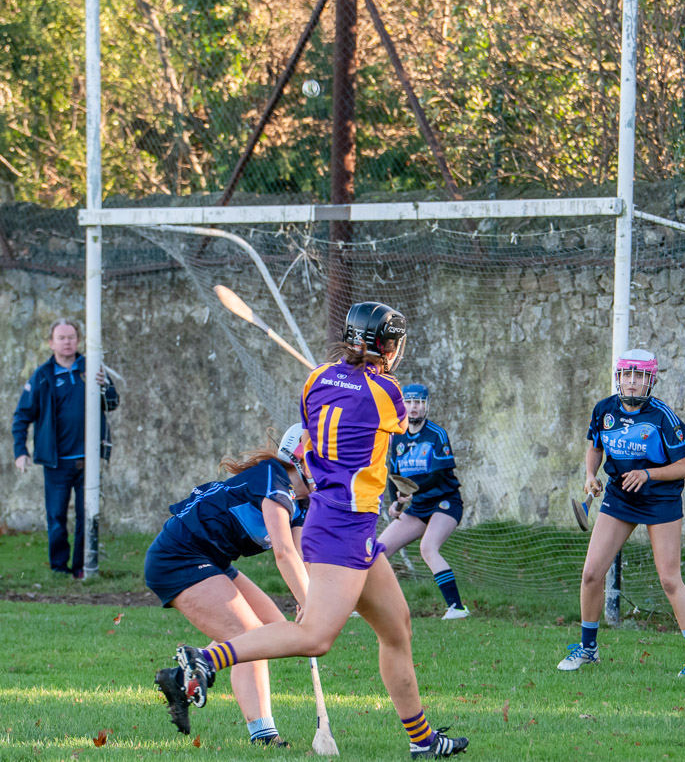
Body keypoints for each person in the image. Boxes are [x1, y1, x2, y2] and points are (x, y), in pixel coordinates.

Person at [158, 302, 469, 758]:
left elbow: (317, 421)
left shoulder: (314, 380)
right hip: (344, 523)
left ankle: (424, 742)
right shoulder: (388, 391)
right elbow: (397, 423)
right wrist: (364, 378)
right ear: (386, 345)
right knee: (316, 639)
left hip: (346, 522)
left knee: (397, 627)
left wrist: (345, 374)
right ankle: (204, 660)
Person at [150, 425, 312, 743]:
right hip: (178, 557)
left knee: (271, 627)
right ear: (300, 458)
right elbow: (283, 552)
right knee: (251, 635)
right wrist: (309, 603)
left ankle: (182, 675)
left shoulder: (301, 503)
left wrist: (311, 601)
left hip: (212, 560)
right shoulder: (273, 477)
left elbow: (302, 558)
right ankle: (264, 736)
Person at [558, 349, 685, 677]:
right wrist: (590, 476)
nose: (632, 382)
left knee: (669, 580)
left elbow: (683, 468)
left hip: (660, 500)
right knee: (591, 574)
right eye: (627, 375)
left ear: (650, 381)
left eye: (640, 377)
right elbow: (596, 446)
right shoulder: (604, 410)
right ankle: (588, 648)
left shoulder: (662, 416)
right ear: (619, 377)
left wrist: (648, 474)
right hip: (620, 497)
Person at [11, 318, 119, 578]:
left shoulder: (91, 368)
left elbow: (112, 403)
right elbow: (21, 416)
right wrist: (20, 451)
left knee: (87, 516)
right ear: (51, 343)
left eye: (71, 337)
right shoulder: (43, 376)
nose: (67, 341)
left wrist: (105, 387)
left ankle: (81, 568)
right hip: (56, 463)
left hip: (88, 461)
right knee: (57, 517)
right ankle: (59, 569)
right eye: (61, 337)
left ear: (78, 340)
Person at [379, 383, 469, 619]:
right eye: (409, 402)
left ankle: (457, 608)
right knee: (378, 551)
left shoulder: (437, 435)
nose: (414, 407)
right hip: (418, 506)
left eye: (419, 402)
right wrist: (395, 502)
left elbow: (438, 476)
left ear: (426, 405)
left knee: (428, 547)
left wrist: (411, 492)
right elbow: (394, 474)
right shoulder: (397, 438)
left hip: (445, 503)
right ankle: (373, 605)